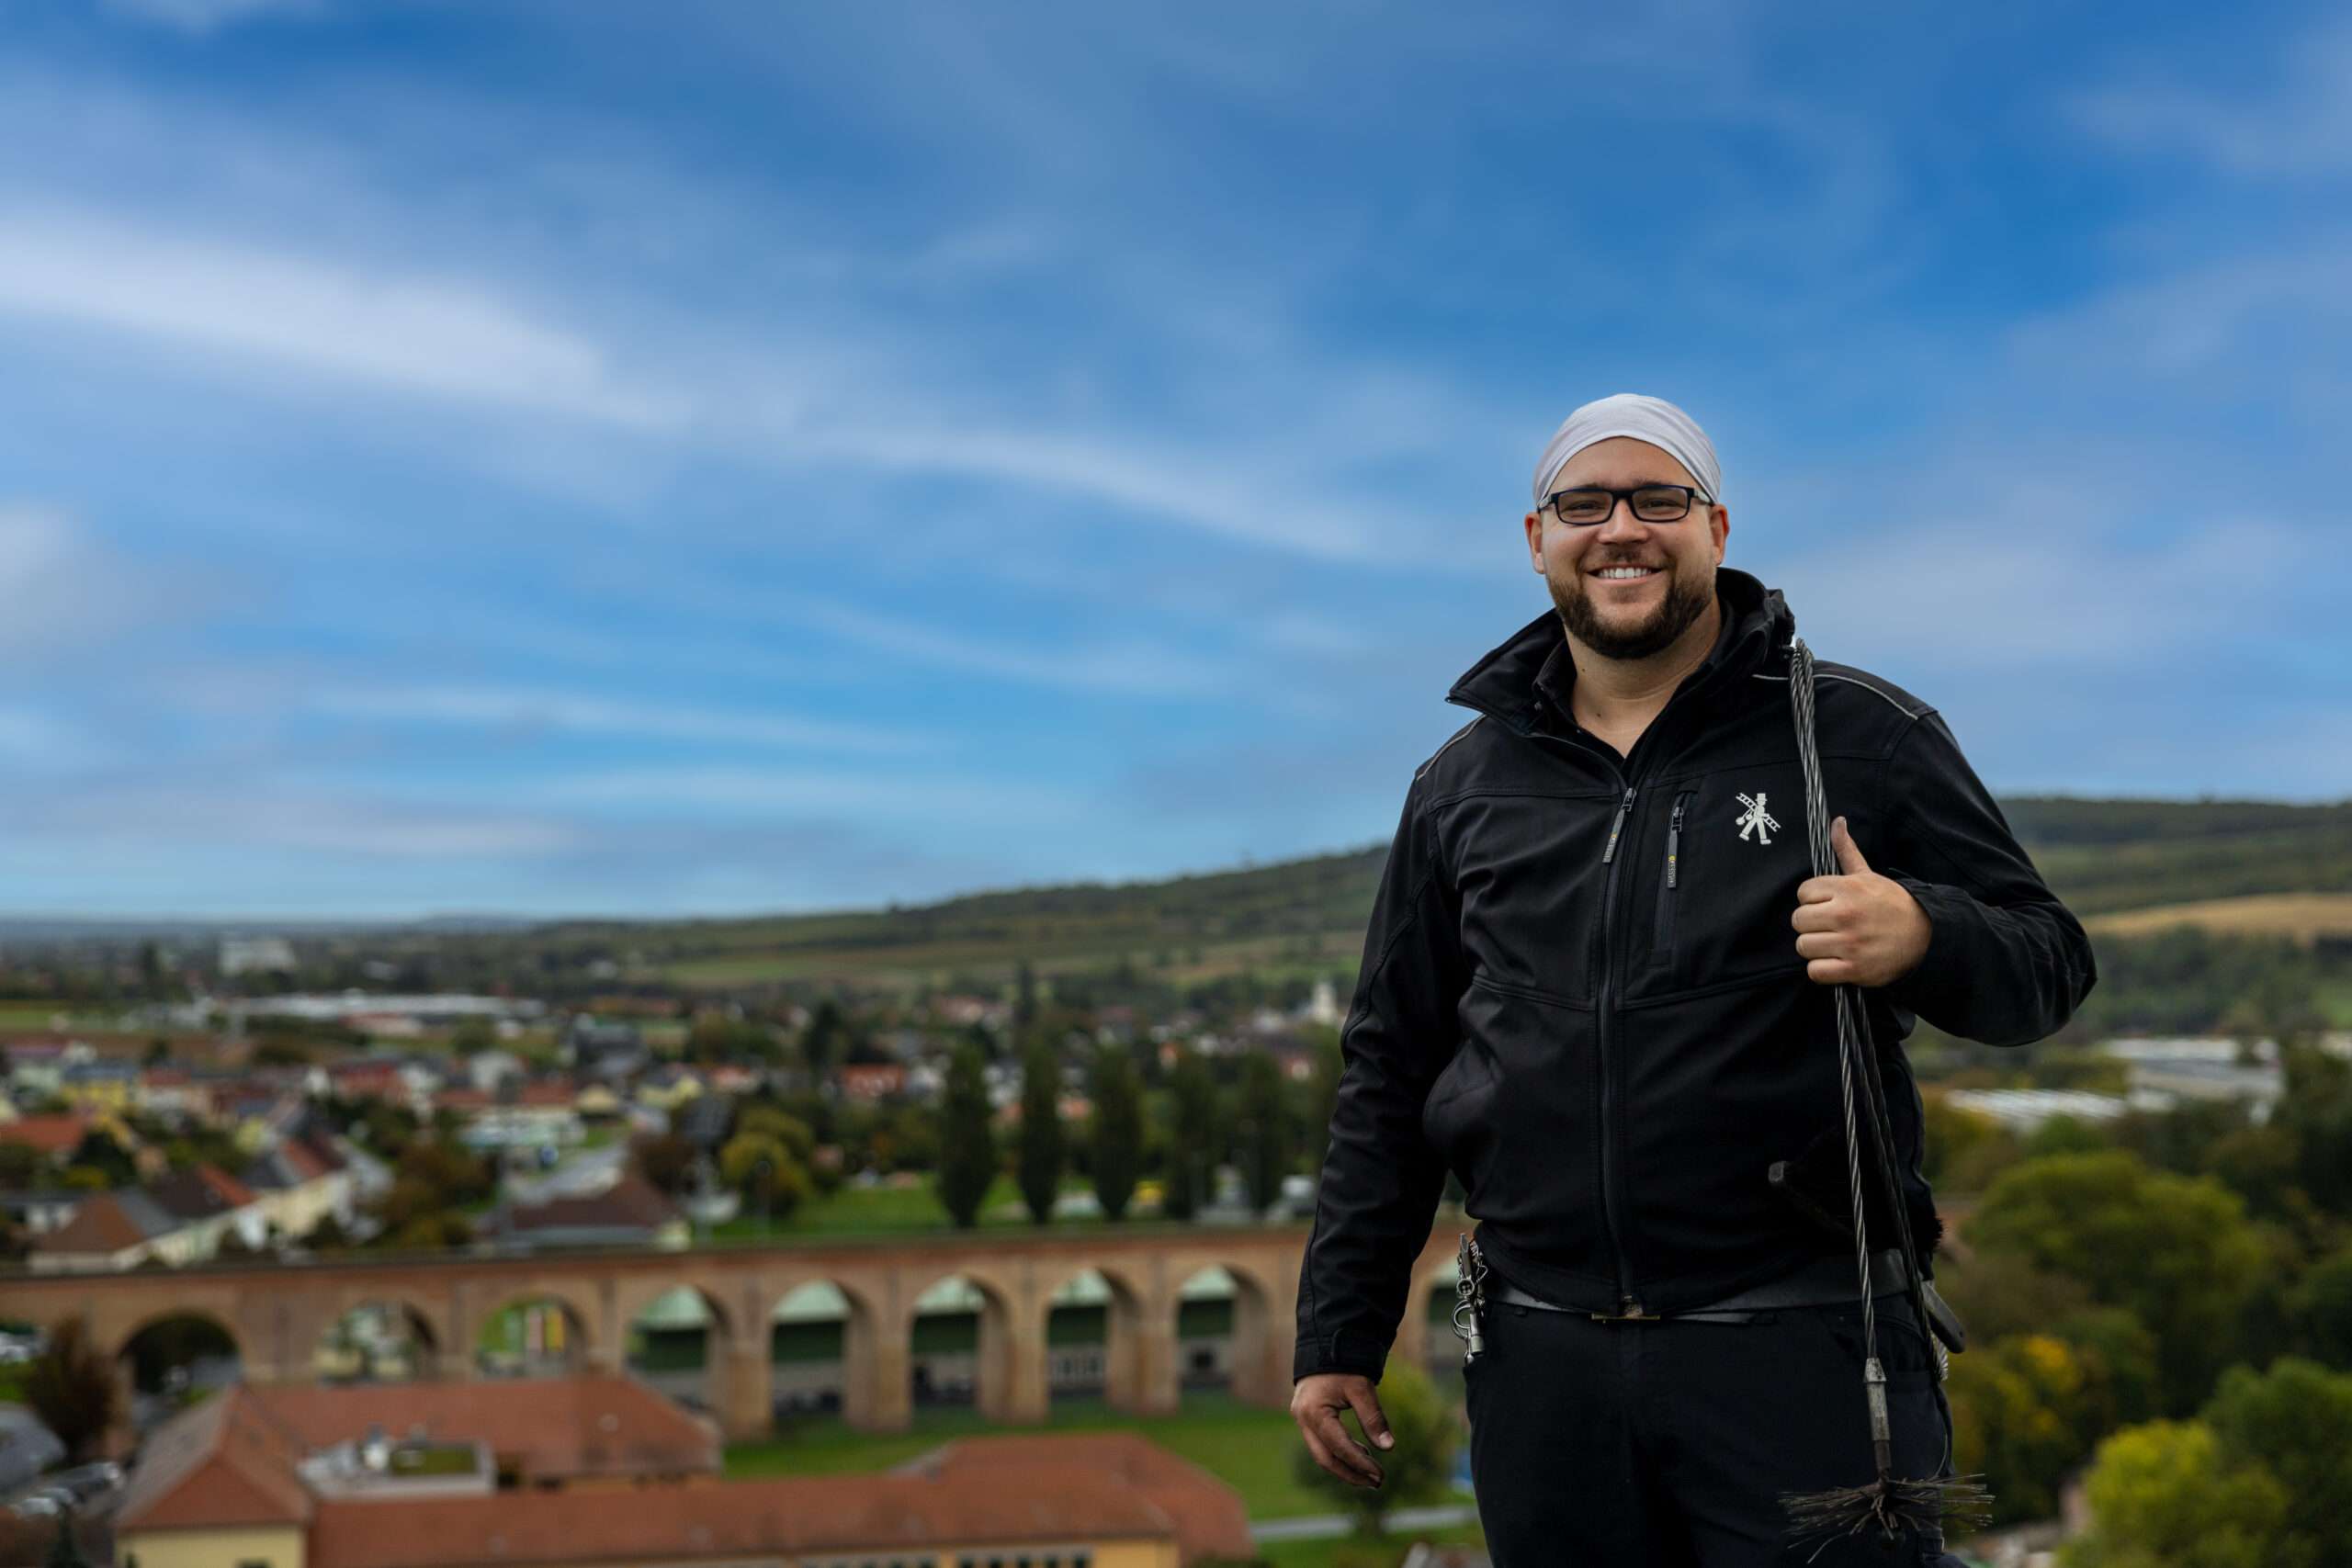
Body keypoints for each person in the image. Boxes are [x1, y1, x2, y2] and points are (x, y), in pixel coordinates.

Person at [1288, 394, 2094, 1567]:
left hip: (1806, 1355)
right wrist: (1339, 1329)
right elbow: (1393, 1069)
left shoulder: (1856, 736)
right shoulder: (1461, 785)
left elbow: (2049, 962)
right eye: (1584, 504)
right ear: (1536, 538)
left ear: (1715, 528)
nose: (1620, 528)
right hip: (1543, 1369)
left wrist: (1922, 933)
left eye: (1656, 500)